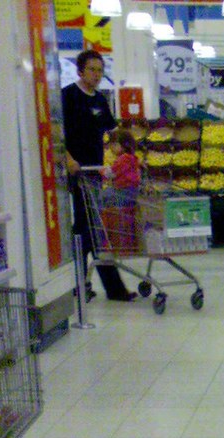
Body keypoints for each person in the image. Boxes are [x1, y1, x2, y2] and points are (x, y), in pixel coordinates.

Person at [62, 49, 136, 302]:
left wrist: (131, 154)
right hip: (75, 173)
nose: (96, 74)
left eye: (100, 70)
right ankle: (103, 287)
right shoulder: (68, 96)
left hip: (94, 173)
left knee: (88, 228)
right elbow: (55, 133)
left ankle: (83, 285)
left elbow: (114, 133)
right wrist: (68, 159)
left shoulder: (100, 101)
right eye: (92, 69)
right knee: (90, 227)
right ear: (80, 71)